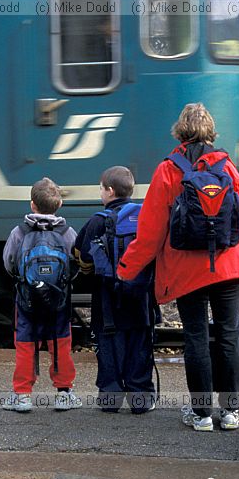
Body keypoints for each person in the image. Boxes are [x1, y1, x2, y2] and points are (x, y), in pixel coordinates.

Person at [117, 103, 239, 431]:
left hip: (186, 270)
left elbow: (151, 232)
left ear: (179, 132)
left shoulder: (168, 170)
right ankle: (231, 412)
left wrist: (127, 269)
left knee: (195, 336)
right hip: (228, 266)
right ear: (212, 131)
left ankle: (202, 414)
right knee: (228, 334)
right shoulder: (228, 168)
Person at [73, 166, 156, 414]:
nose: (100, 193)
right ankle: (140, 399)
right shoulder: (145, 217)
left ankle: (110, 398)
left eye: (100, 188)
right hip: (141, 299)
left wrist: (93, 273)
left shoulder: (98, 220)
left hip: (108, 300)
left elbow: (81, 255)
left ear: (109, 191)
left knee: (109, 347)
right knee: (140, 346)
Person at [1, 177, 81, 413]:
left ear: (32, 204)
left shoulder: (19, 232)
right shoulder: (67, 232)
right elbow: (75, 264)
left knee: (25, 344)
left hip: (27, 299)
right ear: (59, 206)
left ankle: (23, 395)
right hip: (59, 300)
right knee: (61, 343)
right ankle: (64, 393)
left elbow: (9, 263)